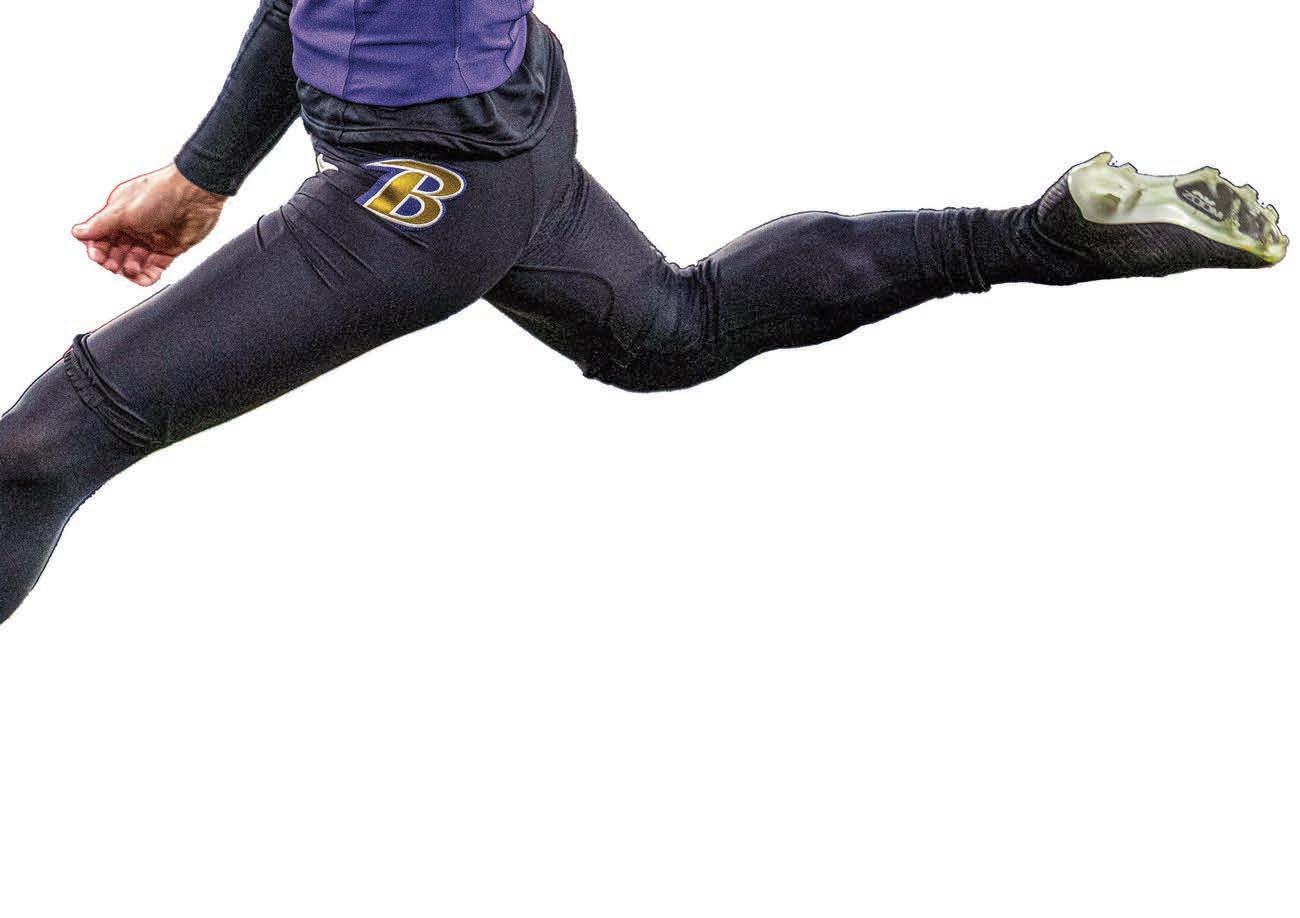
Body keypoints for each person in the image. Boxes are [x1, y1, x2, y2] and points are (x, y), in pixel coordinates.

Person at [0, 0, 1287, 624]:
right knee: (669, 330)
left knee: (43, 449)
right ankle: (1045, 234)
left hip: (424, 185)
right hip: (508, 118)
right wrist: (202, 174)